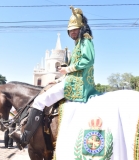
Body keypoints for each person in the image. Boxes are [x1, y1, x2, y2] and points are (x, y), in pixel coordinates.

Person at [11, 6, 99, 149]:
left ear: (82, 28)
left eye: (75, 29)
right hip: (72, 80)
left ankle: (25, 137)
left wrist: (67, 69)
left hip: (77, 84)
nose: (72, 33)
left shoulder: (86, 41)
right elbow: (76, 68)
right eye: (70, 31)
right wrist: (58, 79)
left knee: (39, 101)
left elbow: (88, 60)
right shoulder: (78, 44)